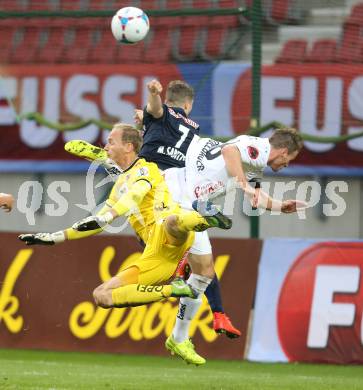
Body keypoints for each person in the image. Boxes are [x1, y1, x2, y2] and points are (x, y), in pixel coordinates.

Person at [18, 124, 231, 368]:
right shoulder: (120, 183)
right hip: (156, 256)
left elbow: (134, 196)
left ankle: (205, 218)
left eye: (111, 141)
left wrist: (108, 216)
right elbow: (99, 221)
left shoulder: (147, 170)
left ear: (128, 146)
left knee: (173, 220)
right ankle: (175, 290)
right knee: (102, 296)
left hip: (171, 235)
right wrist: (54, 237)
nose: (106, 146)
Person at [65, 80, 241, 367]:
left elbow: (155, 117)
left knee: (197, 270)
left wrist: (146, 114)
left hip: (154, 186)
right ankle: (191, 328)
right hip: (167, 191)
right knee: (199, 267)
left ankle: (185, 331)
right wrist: (152, 97)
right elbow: (157, 111)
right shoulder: (183, 122)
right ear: (188, 104)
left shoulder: (167, 124)